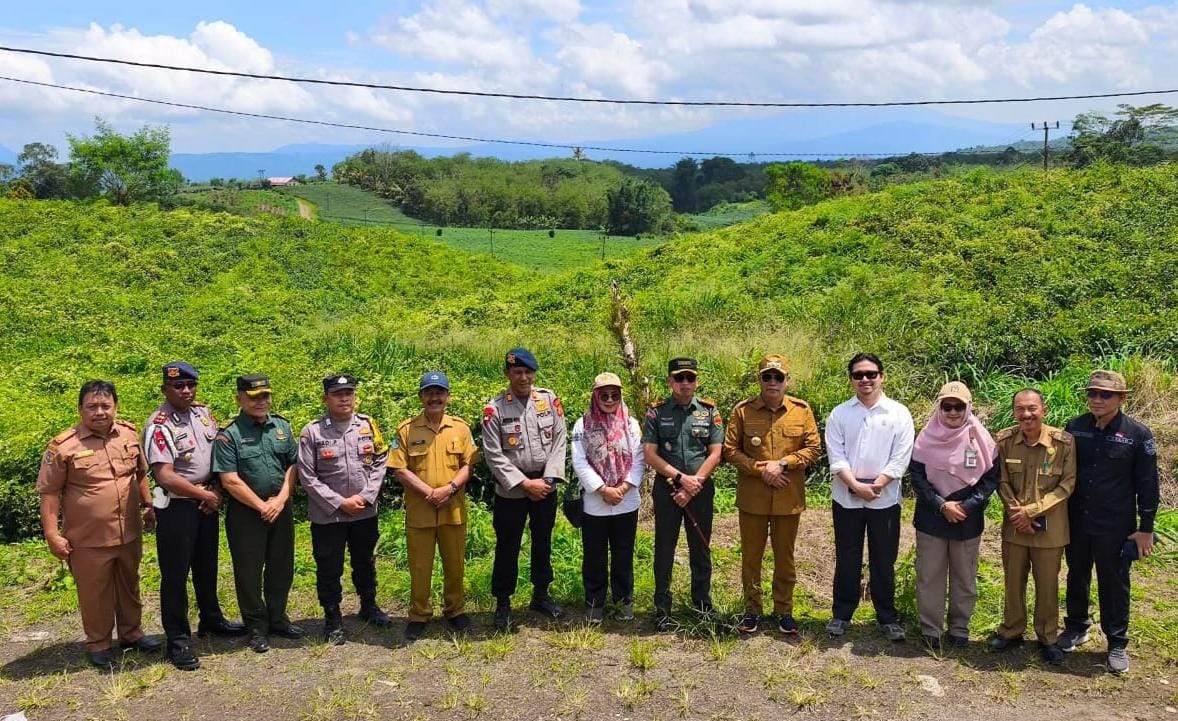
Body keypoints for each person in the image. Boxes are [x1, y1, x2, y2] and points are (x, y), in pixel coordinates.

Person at [37, 380, 162, 668]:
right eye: (92, 406)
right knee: (95, 592)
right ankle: (99, 643)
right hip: (88, 538)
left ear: (115, 407)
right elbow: (49, 493)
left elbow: (139, 474)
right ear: (80, 409)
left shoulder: (128, 434)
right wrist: (52, 534)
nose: (99, 412)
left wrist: (148, 505)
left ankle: (132, 634)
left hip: (128, 531)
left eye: (105, 405)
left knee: (129, 585)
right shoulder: (63, 446)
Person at [144, 362, 245, 671]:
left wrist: (215, 489)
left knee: (206, 566)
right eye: (178, 386)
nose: (186, 391)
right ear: (165, 389)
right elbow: (165, 476)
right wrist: (206, 496)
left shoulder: (202, 414)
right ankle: (177, 639)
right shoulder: (159, 425)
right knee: (175, 575)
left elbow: (216, 456)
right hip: (177, 506)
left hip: (206, 502)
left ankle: (211, 620)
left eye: (191, 385)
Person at [1060, 370, 1159, 674]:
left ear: (1122, 398)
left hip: (1115, 524)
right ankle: (1076, 626)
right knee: (1077, 573)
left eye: (1105, 394)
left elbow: (1148, 484)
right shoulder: (1075, 427)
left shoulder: (1137, 434)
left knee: (1114, 582)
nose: (1097, 399)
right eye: (1092, 393)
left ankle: (1116, 642)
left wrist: (1146, 529)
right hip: (1077, 519)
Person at [723, 354, 822, 635]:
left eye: (778, 377)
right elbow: (730, 450)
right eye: (767, 377)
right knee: (751, 557)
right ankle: (752, 610)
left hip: (787, 497)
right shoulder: (743, 411)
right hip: (753, 498)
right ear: (760, 380)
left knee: (785, 558)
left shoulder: (801, 410)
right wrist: (761, 469)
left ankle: (783, 610)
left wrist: (783, 464)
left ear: (787, 380)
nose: (773, 382)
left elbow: (813, 448)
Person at [824, 353, 914, 641]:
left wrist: (877, 485)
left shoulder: (899, 413)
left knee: (883, 559)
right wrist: (855, 485)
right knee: (847, 556)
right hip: (846, 498)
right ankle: (842, 614)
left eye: (871, 374)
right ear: (851, 379)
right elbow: (836, 456)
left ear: (882, 377)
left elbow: (901, 457)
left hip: (884, 499)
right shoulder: (840, 414)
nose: (865, 379)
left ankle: (887, 617)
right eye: (858, 375)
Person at [297, 374, 392, 646]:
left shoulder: (368, 425)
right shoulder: (312, 432)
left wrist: (367, 496)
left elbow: (381, 459)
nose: (344, 399)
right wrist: (340, 502)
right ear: (325, 399)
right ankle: (333, 617)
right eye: (337, 394)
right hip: (329, 516)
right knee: (329, 566)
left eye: (348, 393)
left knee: (365, 560)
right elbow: (307, 476)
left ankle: (369, 605)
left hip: (364, 511)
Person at [212, 374, 302, 653]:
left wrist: (281, 499)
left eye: (265, 396)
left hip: (280, 509)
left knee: (281, 567)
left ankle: (278, 619)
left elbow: (293, 465)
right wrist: (263, 506)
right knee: (249, 572)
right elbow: (230, 480)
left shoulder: (282, 427)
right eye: (253, 397)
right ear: (239, 399)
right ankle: (256, 627)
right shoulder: (229, 435)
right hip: (247, 514)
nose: (261, 401)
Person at [908, 381, 999, 650]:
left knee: (964, 577)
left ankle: (960, 628)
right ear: (939, 407)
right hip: (931, 517)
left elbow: (990, 479)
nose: (952, 412)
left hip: (967, 519)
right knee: (929, 576)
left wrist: (966, 506)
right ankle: (931, 629)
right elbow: (917, 477)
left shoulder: (981, 438)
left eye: (958, 407)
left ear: (968, 408)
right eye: (947, 406)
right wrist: (941, 505)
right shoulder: (926, 438)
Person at [482, 348, 568, 631]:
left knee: (543, 540)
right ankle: (503, 603)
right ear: (507, 374)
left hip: (545, 485)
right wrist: (524, 484)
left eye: (528, 372)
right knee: (508, 545)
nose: (523, 378)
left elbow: (560, 439)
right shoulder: (495, 408)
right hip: (512, 490)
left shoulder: (549, 400)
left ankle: (541, 595)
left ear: (534, 373)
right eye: (517, 372)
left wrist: (549, 479)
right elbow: (493, 454)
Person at [989, 388, 1076, 665]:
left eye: (1032, 408)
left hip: (1050, 529)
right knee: (1013, 582)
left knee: (1047, 585)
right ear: (1014, 412)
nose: (1026, 414)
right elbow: (1001, 480)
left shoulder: (1063, 443)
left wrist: (1031, 511)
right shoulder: (1004, 441)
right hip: (1015, 527)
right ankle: (1012, 629)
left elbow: (1067, 485)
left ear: (1044, 410)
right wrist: (1017, 513)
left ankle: (1047, 637)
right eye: (1020, 409)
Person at [391, 371, 480, 641]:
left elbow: (469, 465)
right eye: (429, 393)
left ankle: (455, 610)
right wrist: (429, 492)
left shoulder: (460, 428)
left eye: (439, 392)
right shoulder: (406, 430)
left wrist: (449, 489)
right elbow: (399, 469)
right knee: (420, 567)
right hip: (420, 511)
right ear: (421, 397)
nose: (434, 398)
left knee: (455, 564)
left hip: (453, 509)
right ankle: (419, 614)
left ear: (448, 396)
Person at [642, 357, 724, 631]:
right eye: (679, 378)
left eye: (690, 378)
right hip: (667, 489)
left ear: (696, 381)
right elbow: (650, 454)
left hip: (700, 489)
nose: (685, 383)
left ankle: (702, 605)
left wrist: (694, 484)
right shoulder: (656, 412)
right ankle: (662, 608)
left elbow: (715, 453)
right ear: (670, 381)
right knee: (665, 548)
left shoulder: (709, 411)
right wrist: (681, 479)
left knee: (700, 547)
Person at [571, 372, 645, 624]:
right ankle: (595, 602)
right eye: (604, 395)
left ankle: (623, 600)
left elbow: (639, 458)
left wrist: (623, 488)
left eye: (615, 395)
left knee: (623, 553)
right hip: (596, 502)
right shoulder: (582, 424)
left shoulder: (631, 424)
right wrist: (603, 489)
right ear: (595, 396)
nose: (610, 400)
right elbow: (579, 461)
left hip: (627, 499)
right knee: (594, 554)